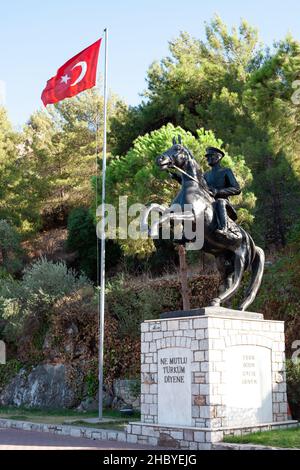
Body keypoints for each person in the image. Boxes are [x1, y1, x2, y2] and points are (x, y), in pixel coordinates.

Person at [203, 147, 241, 234]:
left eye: (210, 156)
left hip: (223, 204)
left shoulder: (226, 171)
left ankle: (224, 229)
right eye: (207, 157)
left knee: (220, 202)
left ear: (218, 157)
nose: (207, 158)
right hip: (209, 202)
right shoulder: (206, 175)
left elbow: (237, 189)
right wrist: (179, 178)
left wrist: (218, 191)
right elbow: (196, 185)